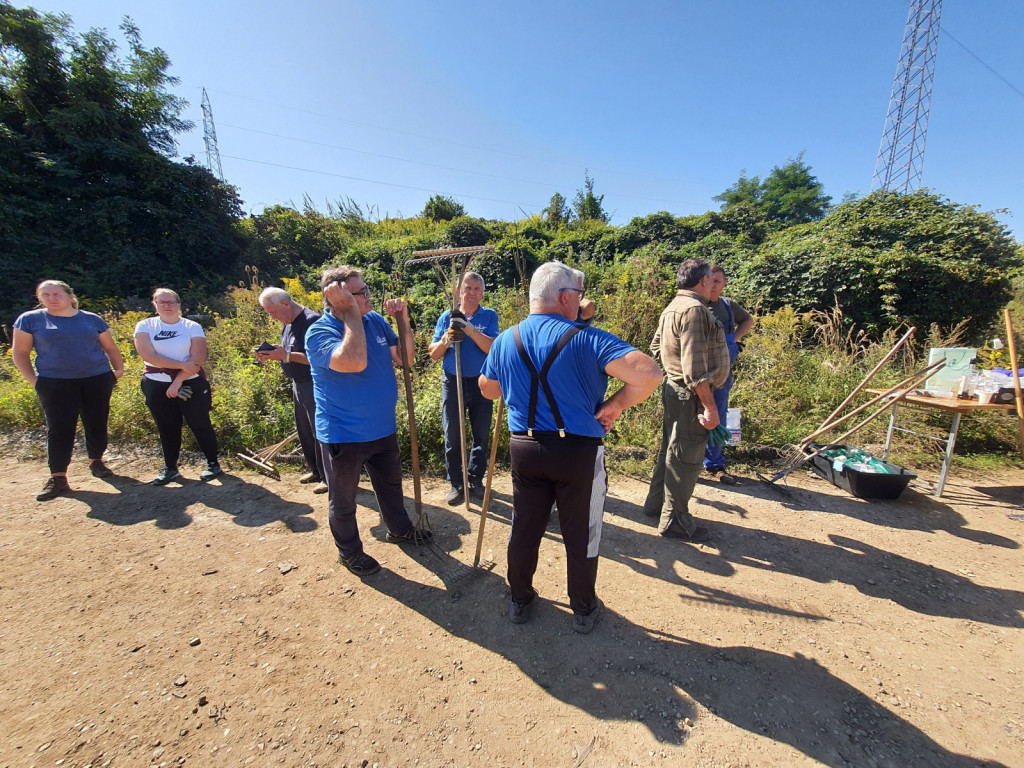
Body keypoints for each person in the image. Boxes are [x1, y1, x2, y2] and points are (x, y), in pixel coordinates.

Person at [479, 261, 662, 633]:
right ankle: (582, 607)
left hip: (525, 448)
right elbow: (649, 373)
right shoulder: (587, 338)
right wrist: (615, 405)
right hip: (577, 453)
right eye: (578, 294)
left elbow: (487, 389)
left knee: (525, 527)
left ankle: (519, 598)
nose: (581, 301)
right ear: (564, 297)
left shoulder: (506, 339)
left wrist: (516, 385)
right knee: (582, 532)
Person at [305, 266, 432, 578]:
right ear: (339, 298)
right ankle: (349, 552)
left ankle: (399, 529)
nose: (369, 296)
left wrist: (403, 321)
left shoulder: (375, 320)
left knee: (391, 487)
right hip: (343, 433)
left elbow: (406, 359)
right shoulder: (319, 332)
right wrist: (350, 312)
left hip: (382, 427)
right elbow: (354, 361)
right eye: (360, 293)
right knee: (344, 500)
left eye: (366, 289)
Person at [642, 259, 730, 543]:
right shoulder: (694, 310)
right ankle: (675, 522)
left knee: (672, 449)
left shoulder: (673, 306)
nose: (714, 285)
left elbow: (656, 346)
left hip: (677, 389)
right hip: (691, 394)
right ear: (703, 281)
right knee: (686, 457)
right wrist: (710, 406)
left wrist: (672, 369)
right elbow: (695, 368)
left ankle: (657, 506)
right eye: (712, 280)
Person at [12, 280, 125, 501]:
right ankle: (58, 476)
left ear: (70, 296)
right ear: (39, 298)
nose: (51, 298)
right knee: (59, 428)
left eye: (56, 294)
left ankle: (96, 461)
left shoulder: (91, 319)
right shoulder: (30, 320)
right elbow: (20, 352)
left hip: (96, 378)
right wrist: (34, 380)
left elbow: (110, 347)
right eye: (45, 295)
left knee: (97, 422)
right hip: (55, 382)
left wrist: (118, 370)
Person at [133, 288, 222, 485]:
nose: (167, 306)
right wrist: (182, 365)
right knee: (167, 426)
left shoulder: (192, 327)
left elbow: (197, 359)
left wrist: (178, 381)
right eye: (162, 302)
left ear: (178, 305)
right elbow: (148, 355)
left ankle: (213, 464)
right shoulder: (145, 326)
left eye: (171, 302)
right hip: (156, 383)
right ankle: (170, 468)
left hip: (191, 381)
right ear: (155, 305)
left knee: (200, 423)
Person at [427, 272, 499, 505]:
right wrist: (448, 337)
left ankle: (475, 480)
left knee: (481, 434)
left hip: (480, 382)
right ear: (460, 291)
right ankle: (456, 483)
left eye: (477, 289)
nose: (472, 293)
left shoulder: (489, 316)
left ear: (482, 293)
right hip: (452, 381)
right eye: (468, 288)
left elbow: (492, 348)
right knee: (452, 435)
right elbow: (433, 354)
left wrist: (468, 328)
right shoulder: (447, 316)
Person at [256, 287, 327, 494]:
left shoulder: (311, 321)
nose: (272, 317)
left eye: (272, 312)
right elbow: (290, 350)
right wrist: (274, 353)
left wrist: (286, 355)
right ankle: (315, 470)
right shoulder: (288, 323)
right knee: (305, 430)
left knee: (320, 431)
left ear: (285, 304)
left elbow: (319, 358)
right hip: (298, 384)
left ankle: (329, 477)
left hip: (314, 383)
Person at [703, 265, 754, 484]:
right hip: (698, 370)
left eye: (717, 281)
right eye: (709, 280)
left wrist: (734, 339)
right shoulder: (695, 305)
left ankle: (714, 464)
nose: (713, 286)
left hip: (722, 373)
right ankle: (688, 463)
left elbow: (748, 320)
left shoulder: (728, 306)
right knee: (691, 415)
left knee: (719, 414)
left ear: (724, 284)